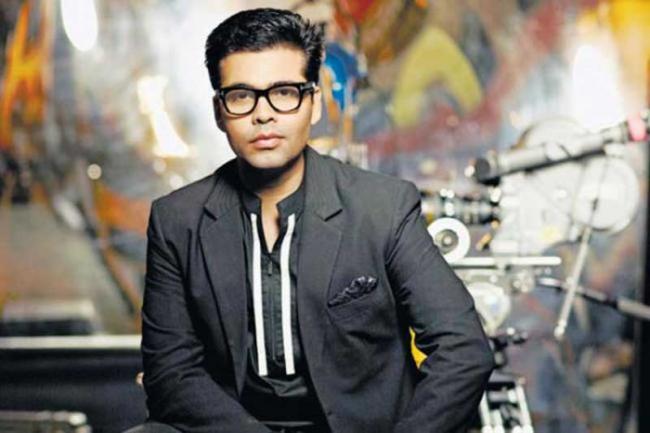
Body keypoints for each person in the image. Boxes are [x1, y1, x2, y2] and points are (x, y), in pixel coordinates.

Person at [137, 8, 494, 433]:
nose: (263, 114)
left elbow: (463, 350)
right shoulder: (178, 220)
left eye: (284, 92)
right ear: (219, 111)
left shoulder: (382, 207)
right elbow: (170, 372)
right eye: (241, 96)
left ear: (314, 103)